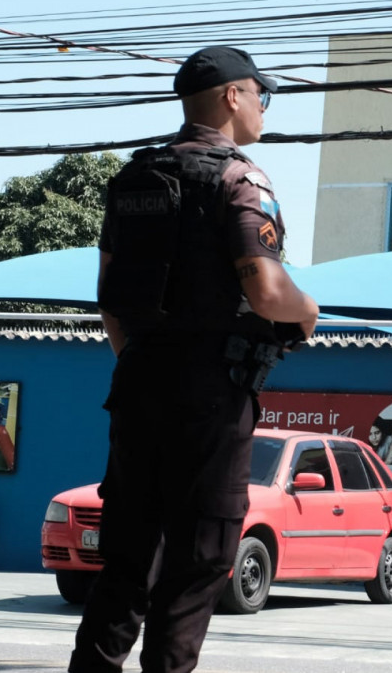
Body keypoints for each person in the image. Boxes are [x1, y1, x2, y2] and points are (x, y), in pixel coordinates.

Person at [69, 46, 319, 673]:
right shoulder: (241, 179)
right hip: (214, 392)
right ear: (234, 96)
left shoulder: (131, 180)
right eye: (261, 93)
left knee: (127, 560)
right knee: (200, 557)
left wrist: (146, 361)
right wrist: (308, 310)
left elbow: (110, 302)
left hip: (138, 382)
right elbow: (265, 288)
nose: (264, 106)